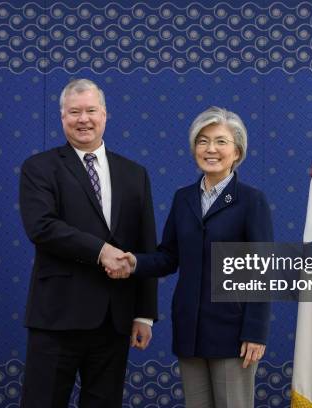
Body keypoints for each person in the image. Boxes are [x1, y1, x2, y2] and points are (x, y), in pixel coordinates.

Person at [109, 107, 273, 408]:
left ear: (237, 152)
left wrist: (255, 332)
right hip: (189, 329)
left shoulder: (251, 201)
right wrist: (135, 263)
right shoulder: (183, 198)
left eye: (221, 141)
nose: (211, 149)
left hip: (233, 334)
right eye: (202, 141)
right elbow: (169, 256)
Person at [18, 78, 158, 407]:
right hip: (57, 316)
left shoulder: (134, 173)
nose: (84, 119)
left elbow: (146, 243)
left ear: (105, 115)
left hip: (115, 319)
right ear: (62, 117)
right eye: (75, 112)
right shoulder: (39, 168)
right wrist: (101, 251)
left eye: (91, 110)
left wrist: (145, 313)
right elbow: (42, 227)